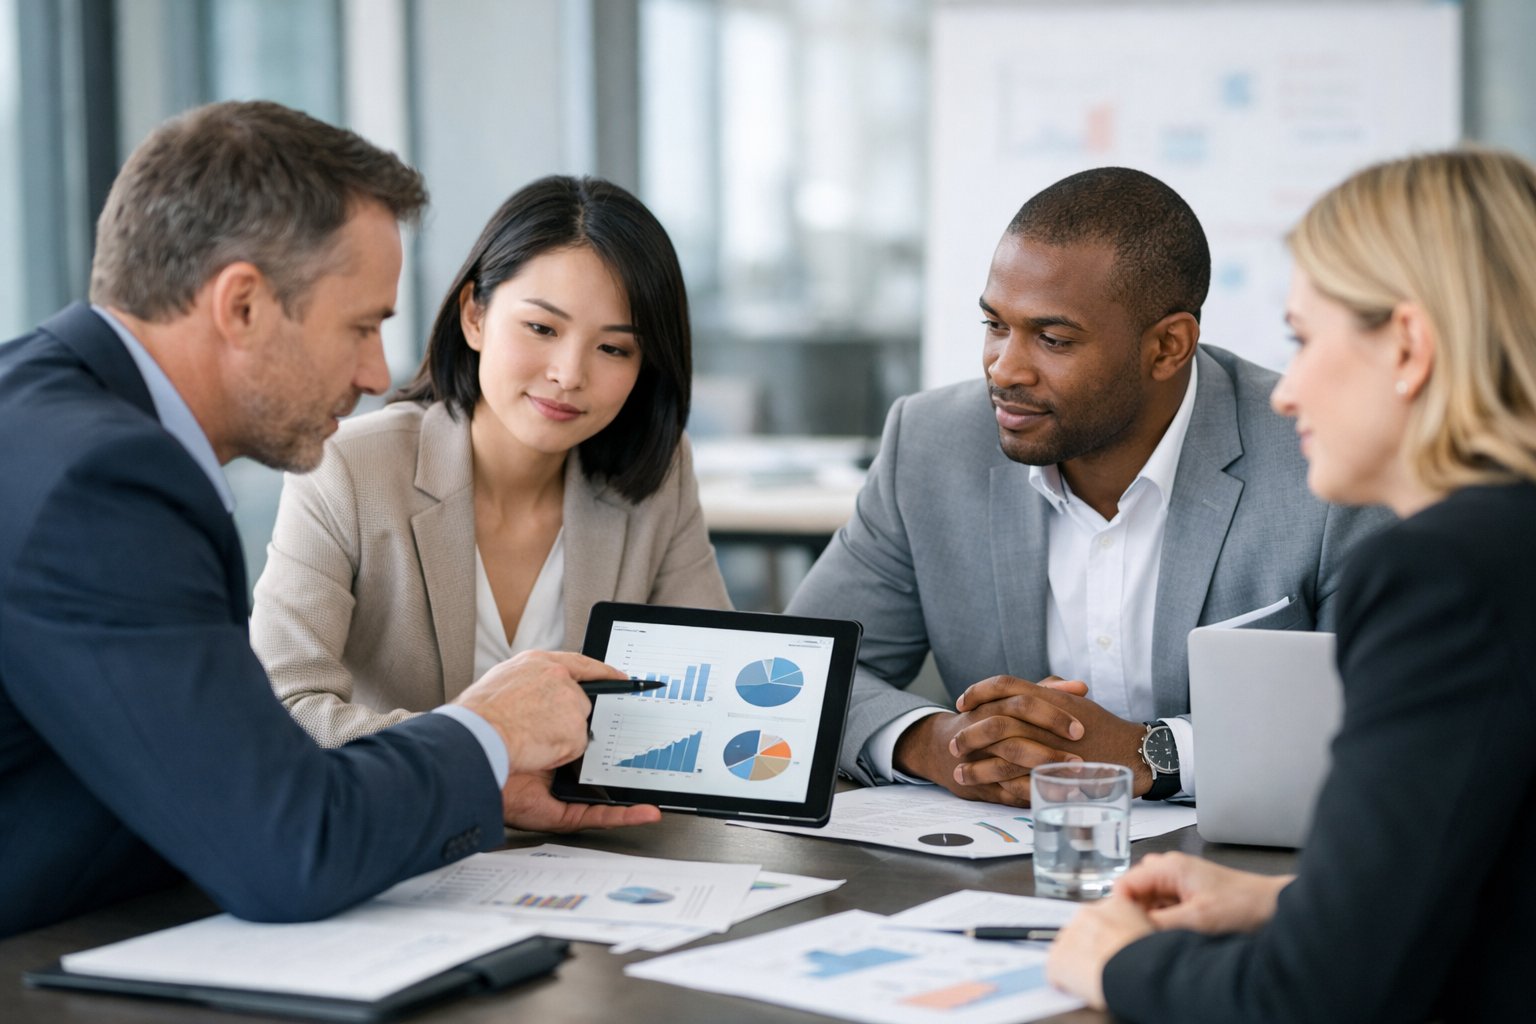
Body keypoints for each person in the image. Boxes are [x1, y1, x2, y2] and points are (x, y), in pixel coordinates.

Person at [0, 100, 654, 941]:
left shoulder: (42, 409)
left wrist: (477, 775)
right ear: (242, 305)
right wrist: (486, 732)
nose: (378, 372)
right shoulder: (106, 484)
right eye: (361, 326)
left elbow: (220, 781)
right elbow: (286, 844)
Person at [1046, 149, 1536, 1022]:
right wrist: (1291, 901)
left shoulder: (1441, 576)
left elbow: (1316, 998)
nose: (1286, 393)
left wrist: (1116, 965)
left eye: (1305, 341)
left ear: (1410, 347)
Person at [787, 167, 1388, 806]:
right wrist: (939, 745)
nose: (1004, 369)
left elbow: (1390, 713)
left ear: (1168, 346)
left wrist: (1149, 755)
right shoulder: (931, 444)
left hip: (1241, 858)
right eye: (995, 325)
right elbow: (798, 667)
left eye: (1053, 339)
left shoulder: (1323, 455)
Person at [250, 176, 730, 749]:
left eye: (613, 348)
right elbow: (279, 708)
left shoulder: (656, 477)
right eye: (541, 328)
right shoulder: (350, 469)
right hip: (410, 806)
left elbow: (710, 693)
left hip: (593, 811)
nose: (569, 374)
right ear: (474, 316)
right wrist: (483, 752)